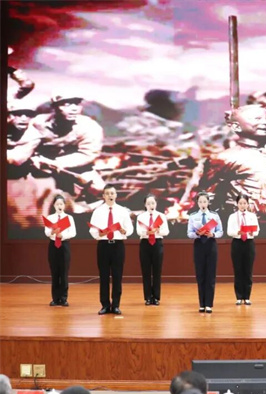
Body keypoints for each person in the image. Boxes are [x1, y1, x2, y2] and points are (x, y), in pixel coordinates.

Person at [9, 91, 105, 197]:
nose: (74, 109)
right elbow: (23, 142)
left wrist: (54, 163)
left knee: (98, 188)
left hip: (75, 166)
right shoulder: (37, 122)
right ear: (54, 107)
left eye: (77, 104)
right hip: (37, 164)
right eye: (67, 104)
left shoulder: (90, 127)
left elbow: (87, 154)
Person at [89, 184, 134, 315]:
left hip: (117, 245)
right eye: (107, 193)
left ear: (116, 195)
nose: (110, 195)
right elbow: (92, 230)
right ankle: (105, 305)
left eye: (112, 193)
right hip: (103, 245)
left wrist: (124, 231)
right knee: (103, 276)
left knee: (117, 276)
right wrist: (99, 234)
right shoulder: (98, 211)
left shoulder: (122, 211)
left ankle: (116, 305)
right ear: (103, 196)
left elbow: (130, 229)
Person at [187, 192, 223, 313]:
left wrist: (213, 234)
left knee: (210, 275)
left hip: (210, 244)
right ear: (197, 203)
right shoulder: (193, 216)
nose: (203, 204)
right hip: (199, 245)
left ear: (208, 202)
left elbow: (220, 231)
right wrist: (197, 233)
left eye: (205, 201)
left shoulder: (214, 215)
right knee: (200, 274)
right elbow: (189, 233)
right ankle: (201, 304)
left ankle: (209, 304)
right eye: (200, 202)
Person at [136, 194, 170, 306]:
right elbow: (138, 231)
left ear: (156, 204)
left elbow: (166, 232)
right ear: (145, 205)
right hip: (145, 243)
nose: (151, 205)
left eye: (153, 203)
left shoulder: (161, 216)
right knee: (146, 271)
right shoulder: (141, 217)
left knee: (157, 271)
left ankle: (156, 297)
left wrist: (158, 231)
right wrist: (147, 232)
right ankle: (147, 297)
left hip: (157, 243)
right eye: (148, 203)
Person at [227, 194, 260, 305]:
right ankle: (239, 296)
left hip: (249, 243)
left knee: (248, 270)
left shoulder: (252, 216)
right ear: (237, 204)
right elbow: (229, 231)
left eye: (244, 203)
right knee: (238, 270)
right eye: (240, 203)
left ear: (247, 204)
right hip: (237, 243)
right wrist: (237, 232)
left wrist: (252, 232)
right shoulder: (232, 216)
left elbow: (257, 230)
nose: (242, 205)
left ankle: (247, 296)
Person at [44, 194, 76, 307]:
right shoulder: (50, 218)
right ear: (54, 205)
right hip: (53, 245)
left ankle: (63, 298)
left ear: (64, 205)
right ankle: (55, 298)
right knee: (54, 272)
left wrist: (63, 236)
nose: (59, 206)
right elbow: (46, 232)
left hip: (64, 245)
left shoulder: (69, 218)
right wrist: (52, 232)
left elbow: (73, 232)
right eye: (57, 204)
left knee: (64, 272)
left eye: (61, 204)